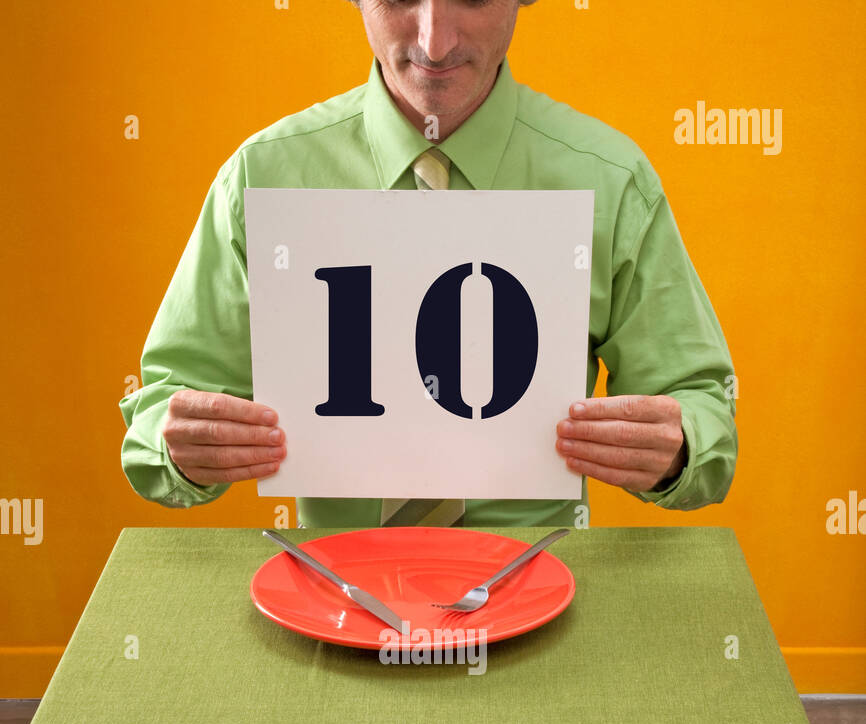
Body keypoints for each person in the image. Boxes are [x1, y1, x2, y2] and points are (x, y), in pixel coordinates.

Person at [119, 0, 737, 529]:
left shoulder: (612, 181)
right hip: (332, 595)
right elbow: (159, 413)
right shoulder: (261, 178)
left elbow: (706, 410)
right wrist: (177, 447)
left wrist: (679, 448)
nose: (433, 42)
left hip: (542, 588)